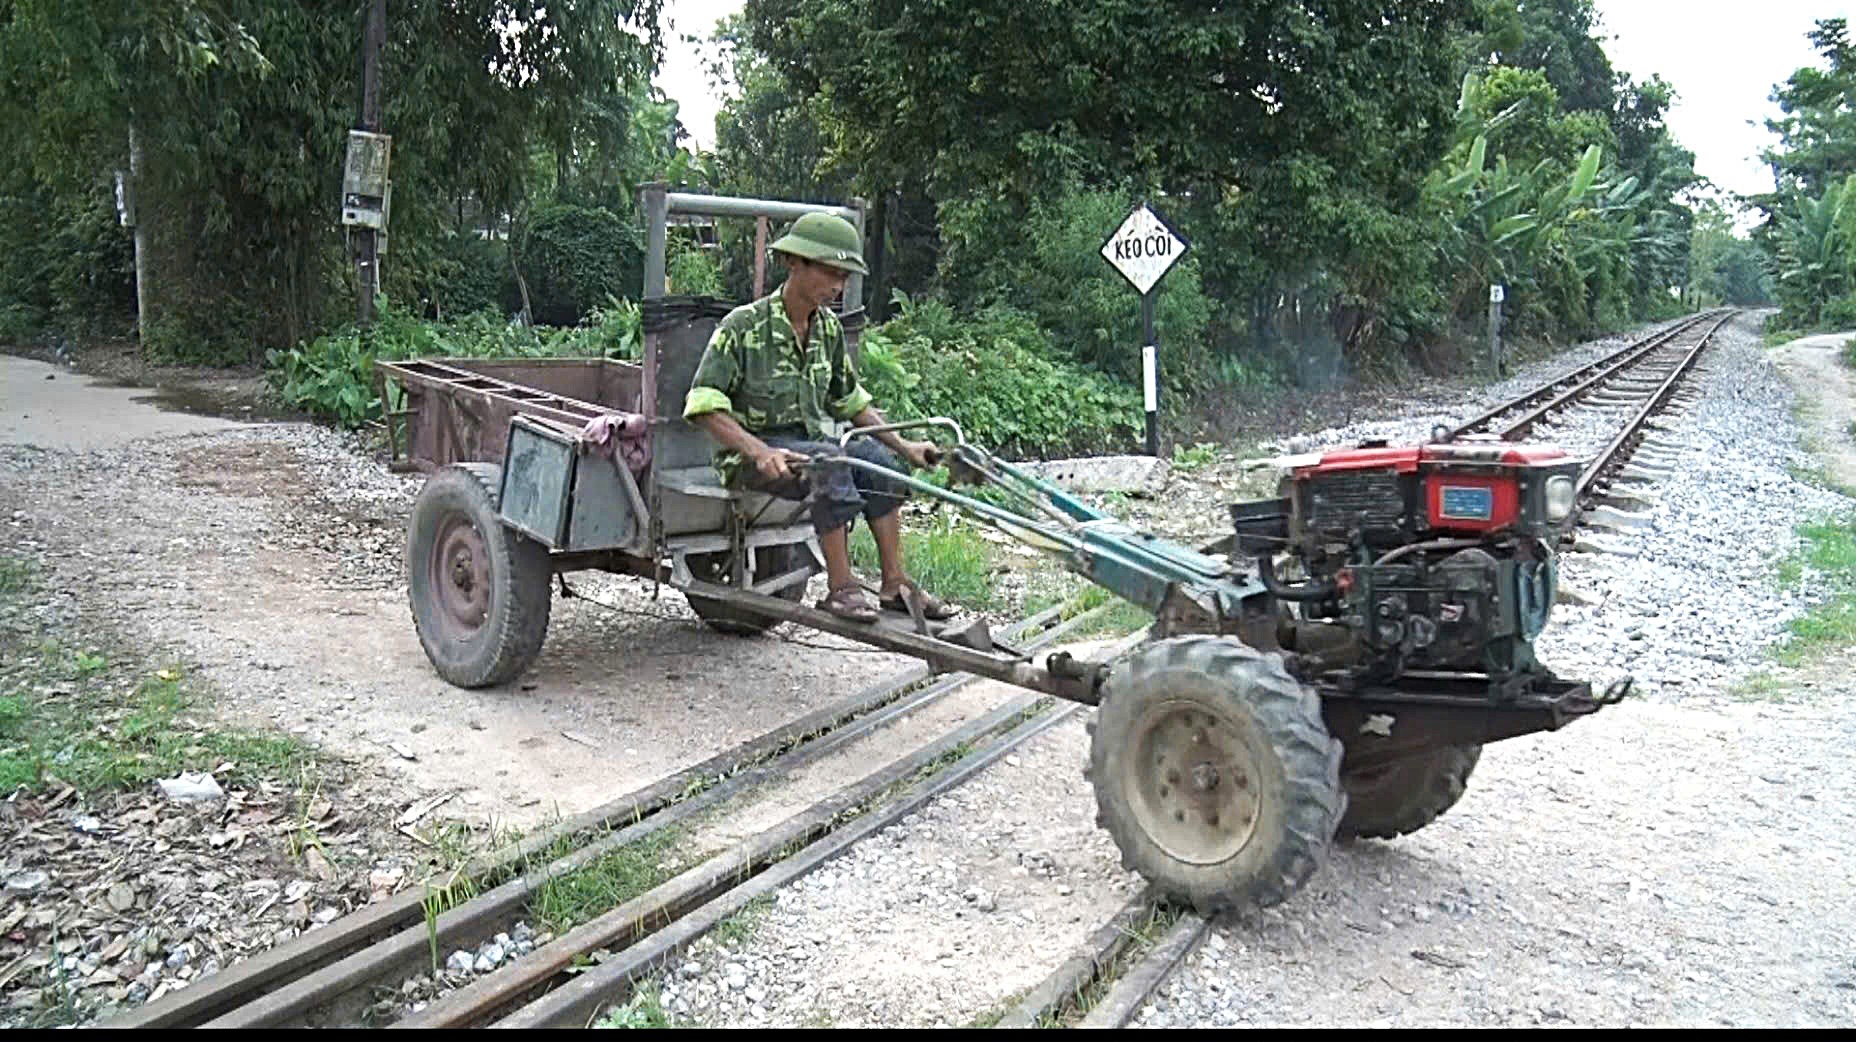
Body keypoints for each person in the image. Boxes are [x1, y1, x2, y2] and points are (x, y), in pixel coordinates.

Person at [681, 212, 954, 624]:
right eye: (830, 273)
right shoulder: (742, 326)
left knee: (879, 465)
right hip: (751, 459)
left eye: (844, 276)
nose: (838, 286)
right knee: (830, 463)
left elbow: (849, 401)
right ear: (795, 263)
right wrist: (757, 450)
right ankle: (841, 590)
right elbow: (702, 406)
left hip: (811, 446)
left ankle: (893, 582)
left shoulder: (827, 330)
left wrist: (905, 446)